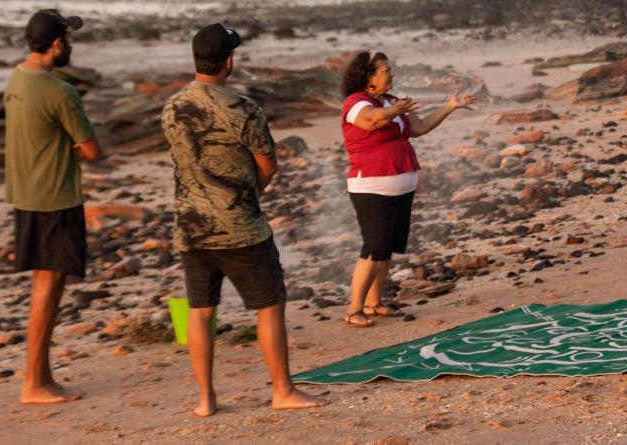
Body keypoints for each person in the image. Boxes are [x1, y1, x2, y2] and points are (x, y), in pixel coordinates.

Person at [160, 23, 325, 416]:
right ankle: (282, 390)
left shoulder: (172, 106)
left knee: (200, 312)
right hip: (240, 225)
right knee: (269, 305)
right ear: (229, 61)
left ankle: (205, 399)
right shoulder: (243, 109)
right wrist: (252, 193)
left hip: (191, 226)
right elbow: (268, 165)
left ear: (196, 59)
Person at [4, 8, 103, 404]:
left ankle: (42, 377)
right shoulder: (60, 91)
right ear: (58, 43)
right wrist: (72, 149)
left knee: (45, 285)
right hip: (55, 198)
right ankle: (33, 383)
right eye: (69, 39)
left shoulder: (16, 78)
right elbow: (93, 150)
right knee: (48, 287)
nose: (71, 46)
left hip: (26, 195)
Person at [341, 50, 475, 327]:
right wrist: (394, 110)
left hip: (400, 184)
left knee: (387, 247)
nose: (392, 74)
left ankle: (373, 302)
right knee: (373, 247)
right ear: (369, 77)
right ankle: (354, 308)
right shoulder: (356, 103)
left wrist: (450, 106)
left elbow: (421, 127)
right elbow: (372, 120)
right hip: (371, 185)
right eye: (386, 70)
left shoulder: (390, 100)